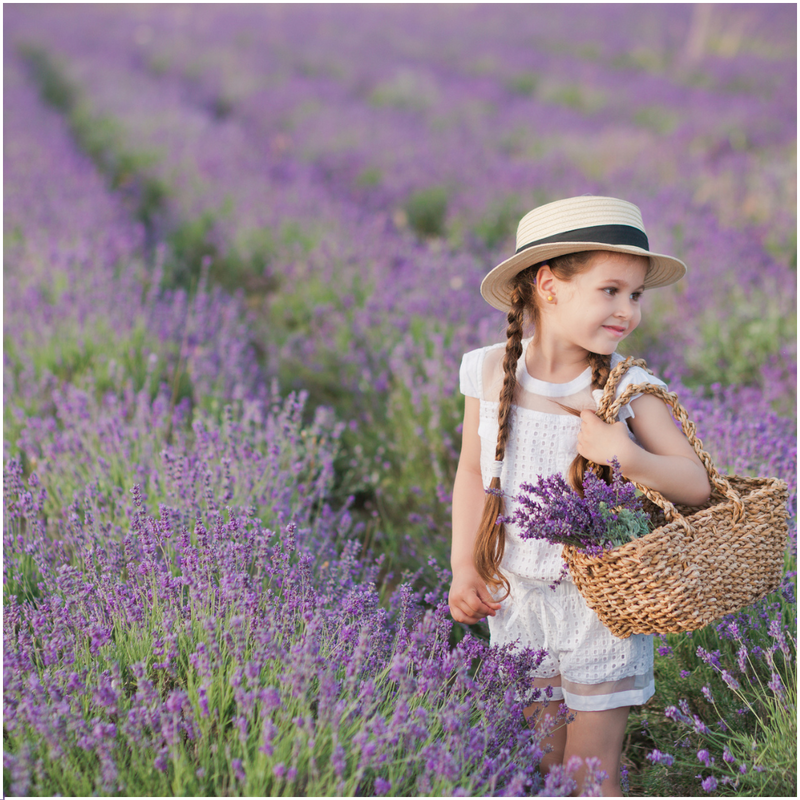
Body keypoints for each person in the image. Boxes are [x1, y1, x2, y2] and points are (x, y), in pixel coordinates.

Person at [449, 195, 711, 796]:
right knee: (545, 769)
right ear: (548, 285)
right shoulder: (489, 373)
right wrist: (464, 565)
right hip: (515, 597)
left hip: (600, 610)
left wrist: (625, 454)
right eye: (611, 290)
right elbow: (471, 472)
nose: (628, 310)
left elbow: (696, 483)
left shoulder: (629, 388)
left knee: (590, 778)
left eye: (636, 295)